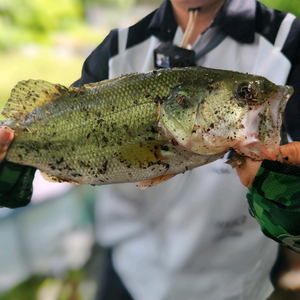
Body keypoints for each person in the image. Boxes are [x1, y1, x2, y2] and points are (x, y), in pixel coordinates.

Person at [1, 0, 300, 299]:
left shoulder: (289, 41)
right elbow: (53, 138)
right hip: (130, 273)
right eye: (246, 94)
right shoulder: (117, 48)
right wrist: (7, 166)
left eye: (246, 94)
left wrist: (286, 187)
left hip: (238, 281)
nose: (254, 100)